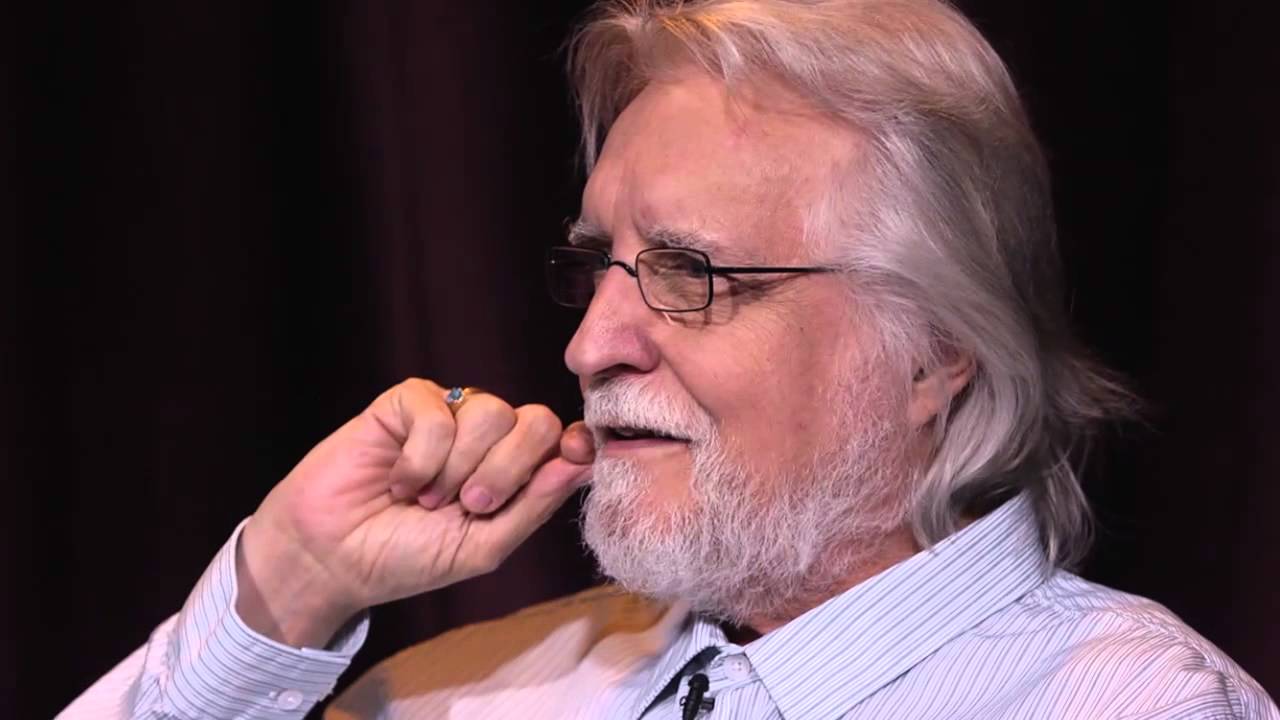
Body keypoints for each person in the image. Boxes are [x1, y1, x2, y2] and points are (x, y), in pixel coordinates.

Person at [60, 0, 1279, 718]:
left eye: (692, 274)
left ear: (935, 349)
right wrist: (288, 588)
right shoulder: (464, 693)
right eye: (597, 264)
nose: (588, 344)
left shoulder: (1134, 703)